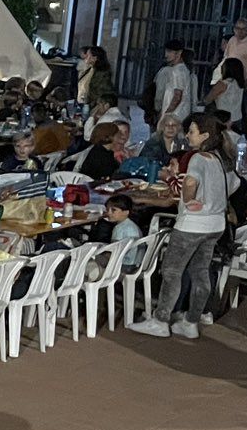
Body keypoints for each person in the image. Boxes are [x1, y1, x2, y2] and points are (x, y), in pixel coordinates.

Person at [131, 116, 231, 339]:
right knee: (200, 271)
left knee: (171, 271)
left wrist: (190, 199)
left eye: (192, 131)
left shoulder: (197, 158)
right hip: (215, 225)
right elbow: (231, 186)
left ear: (205, 136)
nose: (187, 135)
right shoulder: (220, 160)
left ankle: (161, 319)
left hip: (192, 224)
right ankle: (191, 321)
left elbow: (190, 183)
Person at [153, 41, 196, 123]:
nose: (166, 55)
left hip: (175, 115)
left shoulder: (178, 71)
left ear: (179, 53)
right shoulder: (180, 69)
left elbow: (177, 96)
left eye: (169, 52)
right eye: (166, 51)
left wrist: (166, 114)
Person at [99, 193, 144, 270]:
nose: (109, 213)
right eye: (107, 209)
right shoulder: (132, 225)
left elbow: (114, 252)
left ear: (126, 212)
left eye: (113, 210)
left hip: (124, 265)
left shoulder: (119, 229)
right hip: (136, 264)